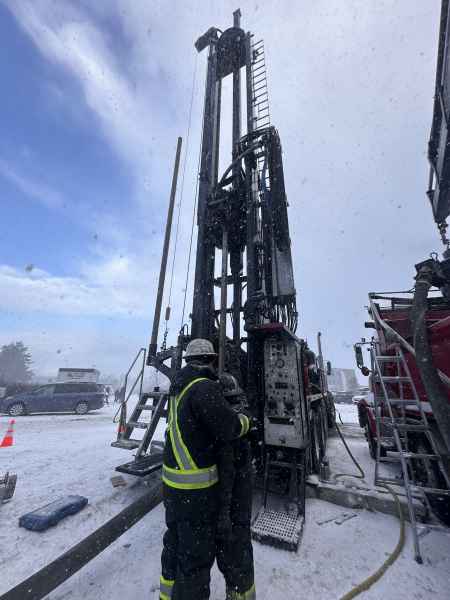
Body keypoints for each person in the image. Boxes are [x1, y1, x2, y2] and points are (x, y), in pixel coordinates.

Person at [159, 339, 250, 600]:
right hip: (195, 493)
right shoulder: (204, 388)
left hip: (173, 489)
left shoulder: (178, 387)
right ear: (211, 360)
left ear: (188, 360)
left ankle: (167, 595)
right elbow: (229, 428)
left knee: (174, 545)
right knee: (195, 560)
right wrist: (246, 420)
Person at [216, 373, 255, 600]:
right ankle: (242, 591)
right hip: (240, 504)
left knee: (234, 552)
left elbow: (226, 473)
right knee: (240, 551)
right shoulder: (241, 418)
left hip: (233, 506)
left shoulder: (227, 428)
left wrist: (222, 512)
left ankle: (239, 591)